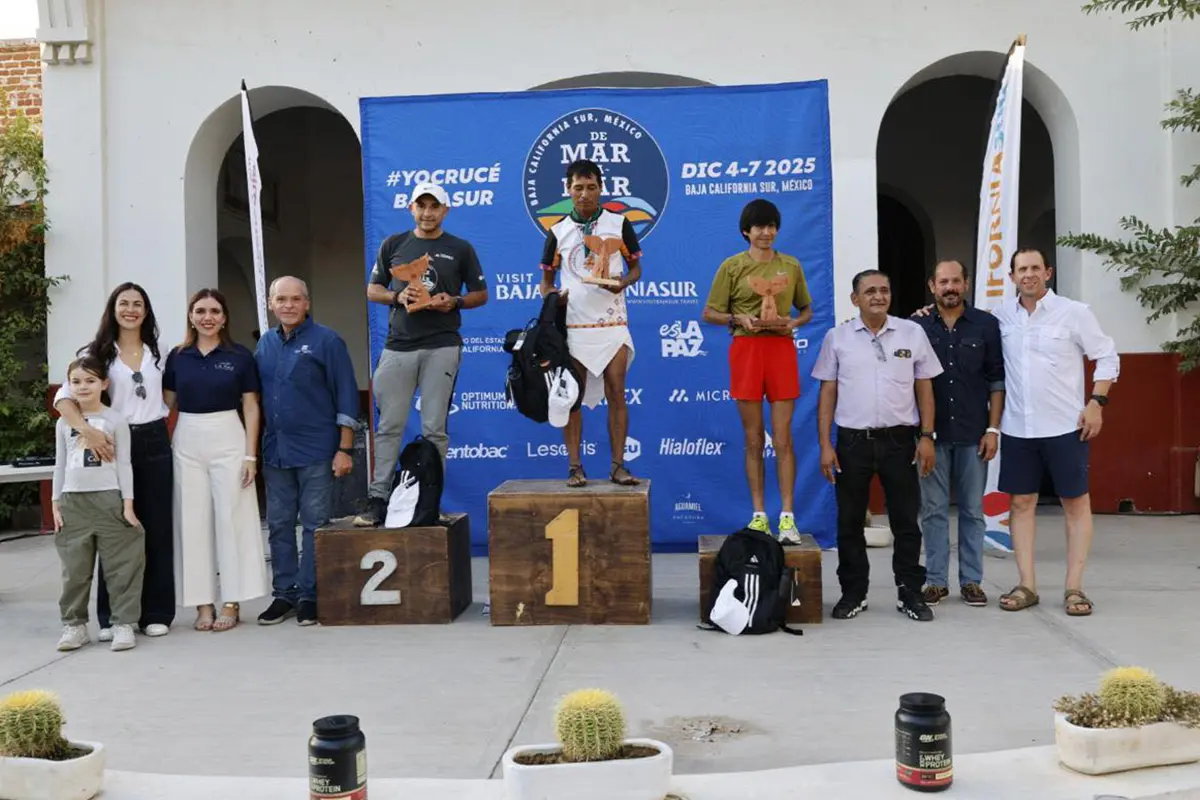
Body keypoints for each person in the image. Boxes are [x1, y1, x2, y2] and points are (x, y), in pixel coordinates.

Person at [992, 248, 1119, 617]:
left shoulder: (1074, 313)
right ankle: (1026, 585)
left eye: (1035, 268)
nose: (1028, 275)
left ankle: (1074, 588)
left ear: (1047, 272)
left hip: (1066, 427)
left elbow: (1108, 356)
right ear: (1012, 276)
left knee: (1075, 504)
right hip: (1018, 428)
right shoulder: (1000, 317)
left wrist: (1096, 402)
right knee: (1020, 504)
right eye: (1021, 269)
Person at [811, 269, 942, 622]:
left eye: (884, 290)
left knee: (905, 522)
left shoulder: (912, 333)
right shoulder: (837, 338)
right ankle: (854, 593)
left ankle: (910, 593)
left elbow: (925, 388)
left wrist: (927, 437)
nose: (878, 297)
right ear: (855, 299)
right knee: (849, 522)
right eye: (870, 291)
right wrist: (826, 445)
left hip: (900, 442)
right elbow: (827, 393)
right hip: (853, 443)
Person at [356, 182, 489, 527]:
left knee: (434, 429)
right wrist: (397, 298)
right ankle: (378, 500)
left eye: (435, 207)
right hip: (398, 346)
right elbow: (373, 289)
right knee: (389, 426)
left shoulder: (460, 248)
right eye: (422, 206)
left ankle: (429, 502)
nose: (428, 213)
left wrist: (454, 301)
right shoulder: (394, 244)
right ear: (411, 208)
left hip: (442, 345)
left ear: (445, 210)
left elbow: (480, 294)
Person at [52, 282, 176, 642]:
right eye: (124, 303)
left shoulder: (160, 350)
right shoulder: (96, 352)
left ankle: (155, 611)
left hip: (152, 439)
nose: (131, 309)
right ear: (113, 308)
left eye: (138, 304)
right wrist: (87, 431)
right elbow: (63, 398)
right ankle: (111, 617)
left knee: (153, 525)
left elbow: (169, 394)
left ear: (146, 311)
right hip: (107, 441)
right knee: (113, 528)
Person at [701, 198, 813, 542]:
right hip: (747, 350)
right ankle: (759, 515)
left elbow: (806, 309)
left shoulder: (790, 266)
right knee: (753, 440)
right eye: (759, 226)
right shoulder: (732, 267)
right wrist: (739, 318)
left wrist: (793, 321)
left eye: (771, 226)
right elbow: (709, 312)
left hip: (780, 350)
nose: (766, 232)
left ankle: (788, 519)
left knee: (783, 440)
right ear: (746, 231)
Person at [255, 276, 359, 626]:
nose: (288, 305)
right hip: (275, 452)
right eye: (281, 299)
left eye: (295, 299)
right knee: (280, 525)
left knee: (315, 525)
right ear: (271, 303)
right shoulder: (265, 345)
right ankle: (284, 594)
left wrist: (345, 449)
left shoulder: (327, 341)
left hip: (317, 450)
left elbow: (346, 395)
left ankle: (310, 595)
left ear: (307, 303)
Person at [164, 288, 269, 632]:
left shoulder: (239, 356)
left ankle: (232, 601)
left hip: (229, 435)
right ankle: (203, 603)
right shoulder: (177, 356)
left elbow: (251, 406)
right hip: (188, 438)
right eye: (200, 311)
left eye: (214, 311)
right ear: (191, 316)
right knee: (192, 521)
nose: (207, 317)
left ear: (224, 317)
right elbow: (165, 405)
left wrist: (250, 455)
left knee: (232, 517)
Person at [538, 159, 644, 487]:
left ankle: (617, 466)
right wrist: (554, 297)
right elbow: (546, 281)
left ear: (601, 188)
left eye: (591, 187)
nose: (584, 194)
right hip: (573, 326)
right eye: (578, 188)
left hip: (611, 324)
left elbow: (636, 269)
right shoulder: (557, 231)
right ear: (568, 190)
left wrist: (622, 283)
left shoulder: (619, 223)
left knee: (617, 392)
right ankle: (575, 467)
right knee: (571, 396)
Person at [912, 260, 1005, 607]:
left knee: (972, 511)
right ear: (932, 286)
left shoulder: (985, 324)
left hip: (973, 433)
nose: (949, 287)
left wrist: (993, 428)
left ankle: (971, 581)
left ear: (966, 284)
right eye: (942, 282)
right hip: (930, 435)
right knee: (933, 510)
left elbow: (997, 379)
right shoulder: (916, 325)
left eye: (955, 281)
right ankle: (936, 581)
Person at [51, 356, 144, 652]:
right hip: (72, 501)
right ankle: (74, 625)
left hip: (109, 499)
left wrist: (127, 504)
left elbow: (125, 464)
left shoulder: (115, 419)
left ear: (104, 384)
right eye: (76, 381)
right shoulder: (65, 423)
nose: (83, 387)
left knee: (121, 566)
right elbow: (60, 465)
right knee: (74, 570)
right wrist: (56, 502)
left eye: (90, 380)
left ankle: (123, 624)